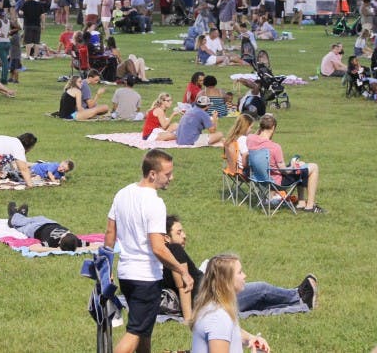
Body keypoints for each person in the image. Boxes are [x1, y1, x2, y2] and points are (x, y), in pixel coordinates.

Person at [105, 149, 193, 353]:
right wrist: (183, 271)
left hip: (125, 274)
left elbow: (110, 233)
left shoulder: (123, 193)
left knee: (144, 329)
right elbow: (158, 248)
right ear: (152, 174)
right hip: (145, 277)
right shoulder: (155, 203)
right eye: (168, 174)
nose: (172, 178)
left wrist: (106, 267)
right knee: (135, 332)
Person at [162, 215, 315, 322]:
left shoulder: (161, 258)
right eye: (179, 232)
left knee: (258, 299)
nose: (184, 235)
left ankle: (296, 297)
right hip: (213, 298)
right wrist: (189, 319)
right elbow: (182, 286)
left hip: (210, 297)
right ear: (166, 238)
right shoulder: (174, 249)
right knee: (261, 289)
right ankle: (298, 295)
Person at [190, 254, 271, 353]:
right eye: (240, 272)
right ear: (226, 281)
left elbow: (232, 332)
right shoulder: (218, 318)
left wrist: (251, 338)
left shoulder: (215, 306)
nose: (245, 276)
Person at [246, 114, 323, 213]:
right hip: (277, 181)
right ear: (273, 127)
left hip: (260, 178)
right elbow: (286, 171)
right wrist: (292, 164)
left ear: (261, 127)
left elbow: (257, 135)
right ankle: (310, 206)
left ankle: (301, 203)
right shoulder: (275, 147)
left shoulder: (250, 139)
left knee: (302, 164)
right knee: (314, 167)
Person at [4, 201, 97, 253]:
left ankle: (13, 216)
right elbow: (98, 246)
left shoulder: (53, 241)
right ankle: (19, 215)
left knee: (22, 226)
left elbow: (33, 248)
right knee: (31, 219)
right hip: (50, 222)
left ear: (59, 242)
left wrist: (55, 249)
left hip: (35, 230)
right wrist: (79, 248)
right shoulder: (76, 240)